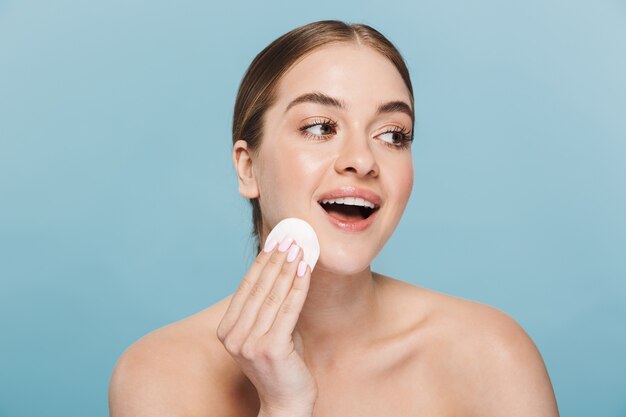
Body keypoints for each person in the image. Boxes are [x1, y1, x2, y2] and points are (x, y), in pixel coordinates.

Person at [108, 20, 560, 417]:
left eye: (393, 135)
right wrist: (284, 407)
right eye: (321, 127)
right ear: (248, 168)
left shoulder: (492, 355)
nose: (362, 160)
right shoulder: (158, 374)